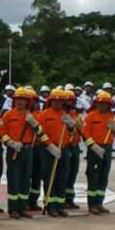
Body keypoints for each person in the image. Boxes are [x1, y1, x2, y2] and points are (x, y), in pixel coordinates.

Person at [0, 87, 40, 219]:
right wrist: (10, 142)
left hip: (27, 150)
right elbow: (2, 132)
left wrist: (33, 123)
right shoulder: (8, 115)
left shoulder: (31, 115)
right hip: (13, 150)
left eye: (22, 100)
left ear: (27, 101)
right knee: (14, 179)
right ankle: (13, 209)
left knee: (25, 179)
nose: (20, 102)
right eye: (17, 100)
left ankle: (23, 207)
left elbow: (39, 132)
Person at [38, 89, 73, 217]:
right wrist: (49, 145)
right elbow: (39, 133)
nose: (57, 104)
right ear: (50, 101)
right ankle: (50, 205)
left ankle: (60, 205)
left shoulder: (66, 115)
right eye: (55, 101)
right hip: (49, 149)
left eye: (60, 101)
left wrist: (71, 125)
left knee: (62, 177)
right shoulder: (44, 114)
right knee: (49, 177)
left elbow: (72, 134)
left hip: (63, 149)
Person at [83, 91, 115, 214]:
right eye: (100, 103)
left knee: (104, 176)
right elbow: (85, 133)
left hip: (107, 149)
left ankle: (99, 203)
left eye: (105, 104)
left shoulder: (112, 117)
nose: (102, 106)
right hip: (94, 149)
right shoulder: (91, 116)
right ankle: (92, 204)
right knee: (93, 176)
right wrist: (93, 146)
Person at [63, 89, 83, 209]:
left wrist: (77, 124)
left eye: (72, 101)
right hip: (65, 147)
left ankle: (70, 198)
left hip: (75, 147)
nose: (70, 104)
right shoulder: (61, 115)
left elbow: (81, 130)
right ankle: (63, 198)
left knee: (72, 173)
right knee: (64, 173)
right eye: (68, 101)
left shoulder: (76, 115)